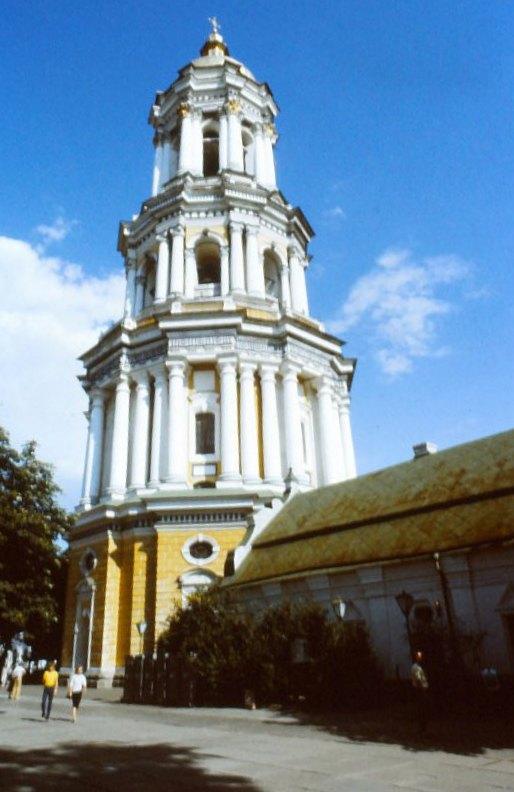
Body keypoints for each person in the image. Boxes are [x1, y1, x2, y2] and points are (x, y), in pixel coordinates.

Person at [411, 650, 430, 734]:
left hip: (421, 689)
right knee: (422, 709)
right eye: (419, 656)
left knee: (423, 709)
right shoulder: (416, 667)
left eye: (421, 656)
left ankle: (422, 728)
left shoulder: (419, 666)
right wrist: (422, 689)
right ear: (416, 657)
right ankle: (421, 729)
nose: (420, 658)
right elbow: (418, 679)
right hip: (420, 690)